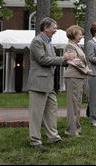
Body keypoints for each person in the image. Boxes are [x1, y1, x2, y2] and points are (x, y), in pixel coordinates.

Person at [27, 17, 80, 149]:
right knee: (36, 114)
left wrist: (67, 62)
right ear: (46, 28)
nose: (56, 30)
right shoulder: (37, 41)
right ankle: (35, 141)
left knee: (51, 110)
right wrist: (63, 58)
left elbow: (51, 60)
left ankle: (53, 137)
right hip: (38, 83)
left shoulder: (49, 43)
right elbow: (43, 60)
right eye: (54, 28)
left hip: (49, 83)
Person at [63, 25, 92, 137]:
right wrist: (86, 70)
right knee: (73, 104)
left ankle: (76, 127)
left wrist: (86, 69)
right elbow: (76, 61)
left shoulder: (76, 46)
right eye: (80, 34)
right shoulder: (70, 46)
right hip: (73, 77)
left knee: (77, 104)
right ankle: (71, 131)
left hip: (78, 77)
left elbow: (81, 61)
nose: (81, 36)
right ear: (74, 35)